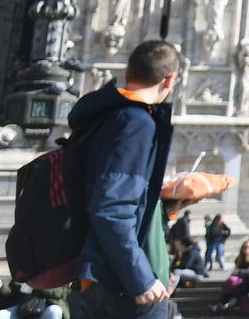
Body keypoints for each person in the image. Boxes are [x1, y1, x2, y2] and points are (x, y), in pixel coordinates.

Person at [69, 39, 180, 319]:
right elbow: (111, 207)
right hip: (121, 284)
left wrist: (168, 207)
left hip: (98, 275)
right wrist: (139, 278)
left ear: (128, 72)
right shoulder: (135, 122)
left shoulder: (106, 115)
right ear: (170, 79)